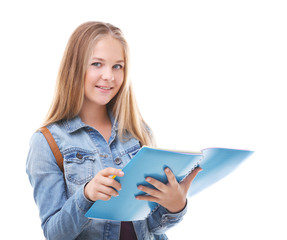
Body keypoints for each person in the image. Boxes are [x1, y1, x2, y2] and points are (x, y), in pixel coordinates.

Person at [26, 21, 202, 240]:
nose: (109, 76)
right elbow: (55, 234)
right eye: (97, 64)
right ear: (75, 67)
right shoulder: (47, 142)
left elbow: (152, 227)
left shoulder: (137, 133)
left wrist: (175, 205)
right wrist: (87, 195)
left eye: (117, 66)